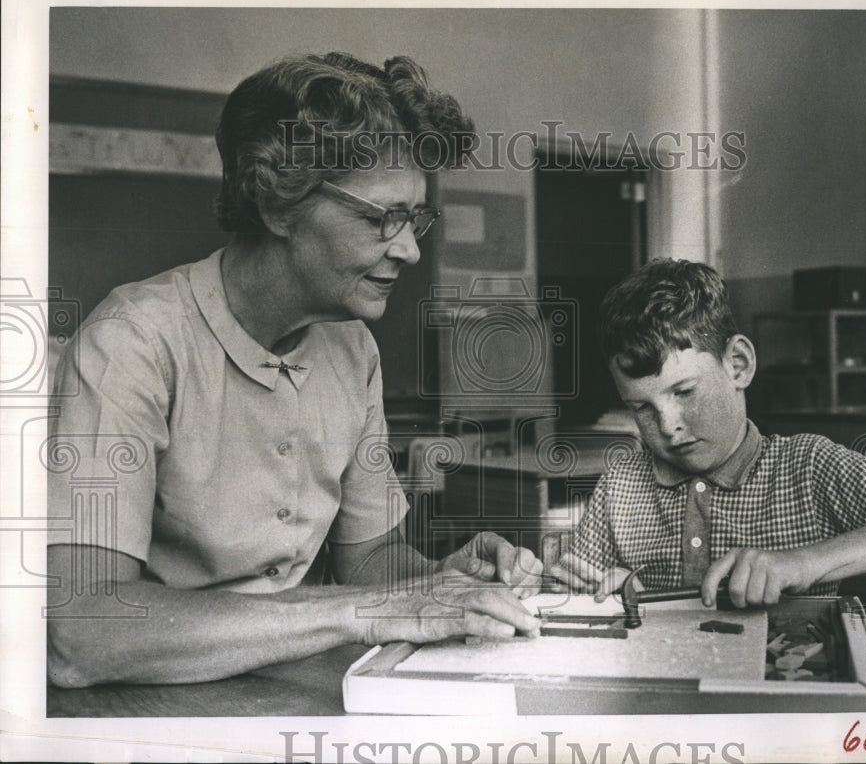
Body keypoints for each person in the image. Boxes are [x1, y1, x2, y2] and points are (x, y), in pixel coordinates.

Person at [46, 51, 542, 688]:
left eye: (415, 216)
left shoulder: (353, 349)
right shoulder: (130, 343)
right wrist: (364, 610)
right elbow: (83, 632)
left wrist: (441, 579)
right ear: (277, 204)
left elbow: (370, 563)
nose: (411, 249)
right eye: (380, 217)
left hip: (294, 697)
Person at [550, 258, 866, 608]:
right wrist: (589, 592)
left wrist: (803, 562)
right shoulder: (619, 486)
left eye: (684, 392)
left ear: (738, 364)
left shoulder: (808, 467)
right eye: (641, 407)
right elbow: (579, 593)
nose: (668, 425)